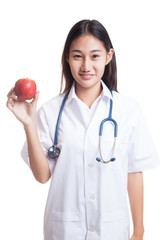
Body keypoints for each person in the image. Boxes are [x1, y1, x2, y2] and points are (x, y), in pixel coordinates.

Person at [6, 19, 160, 240]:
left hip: (113, 231)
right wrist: (29, 125)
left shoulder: (129, 111)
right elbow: (42, 176)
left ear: (108, 56)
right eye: (78, 56)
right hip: (65, 232)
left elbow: (134, 172)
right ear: (67, 58)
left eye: (95, 56)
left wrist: (139, 231)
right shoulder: (50, 112)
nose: (86, 66)